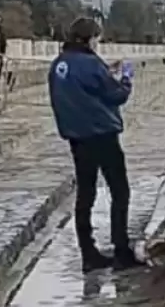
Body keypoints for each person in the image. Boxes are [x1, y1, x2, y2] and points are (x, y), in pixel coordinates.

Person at [48, 16, 142, 273]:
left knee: (85, 194)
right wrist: (125, 78)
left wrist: (105, 72)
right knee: (120, 191)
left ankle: (88, 253)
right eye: (97, 38)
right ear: (90, 38)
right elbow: (117, 95)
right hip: (102, 134)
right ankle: (121, 250)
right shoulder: (90, 63)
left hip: (77, 137)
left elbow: (82, 86)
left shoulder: (59, 63)